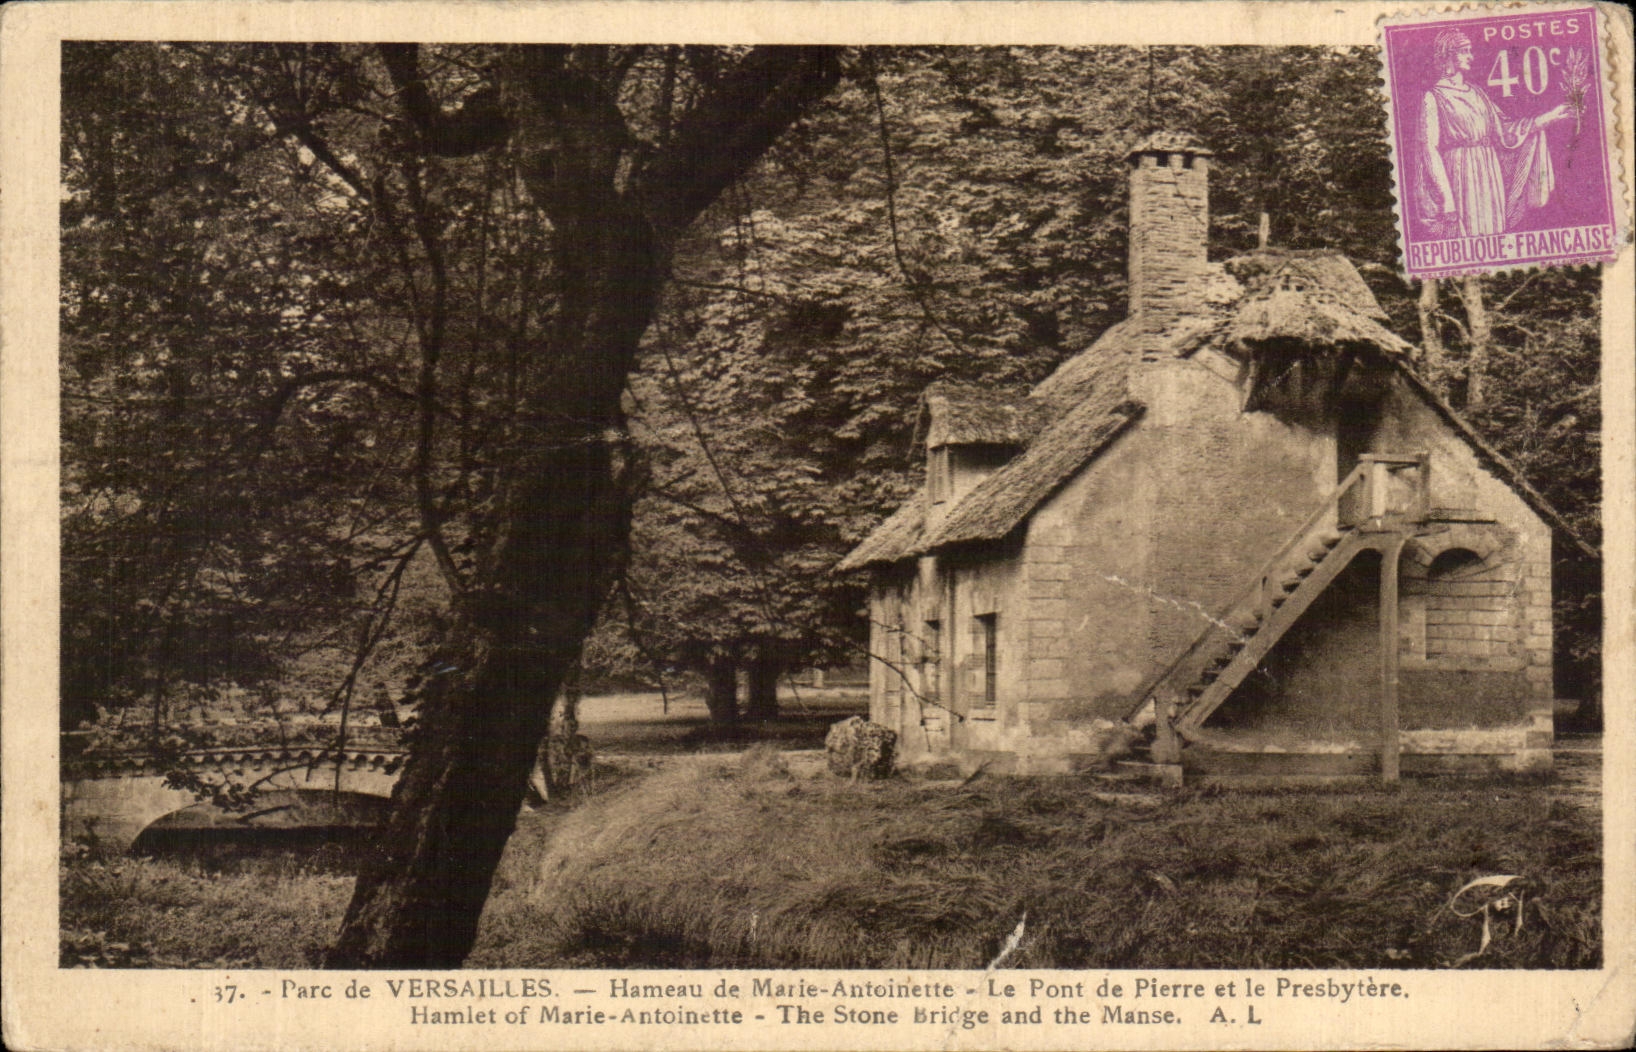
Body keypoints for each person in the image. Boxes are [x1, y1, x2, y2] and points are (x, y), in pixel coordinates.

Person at [1415, 28, 1571, 239]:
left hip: (1489, 174)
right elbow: (1429, 150)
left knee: (1494, 234)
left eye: (1470, 50)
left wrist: (1547, 119)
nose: (1471, 56)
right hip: (1461, 175)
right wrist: (1447, 198)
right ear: (1449, 54)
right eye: (1464, 51)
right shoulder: (1433, 97)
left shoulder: (1478, 93)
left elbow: (1504, 131)